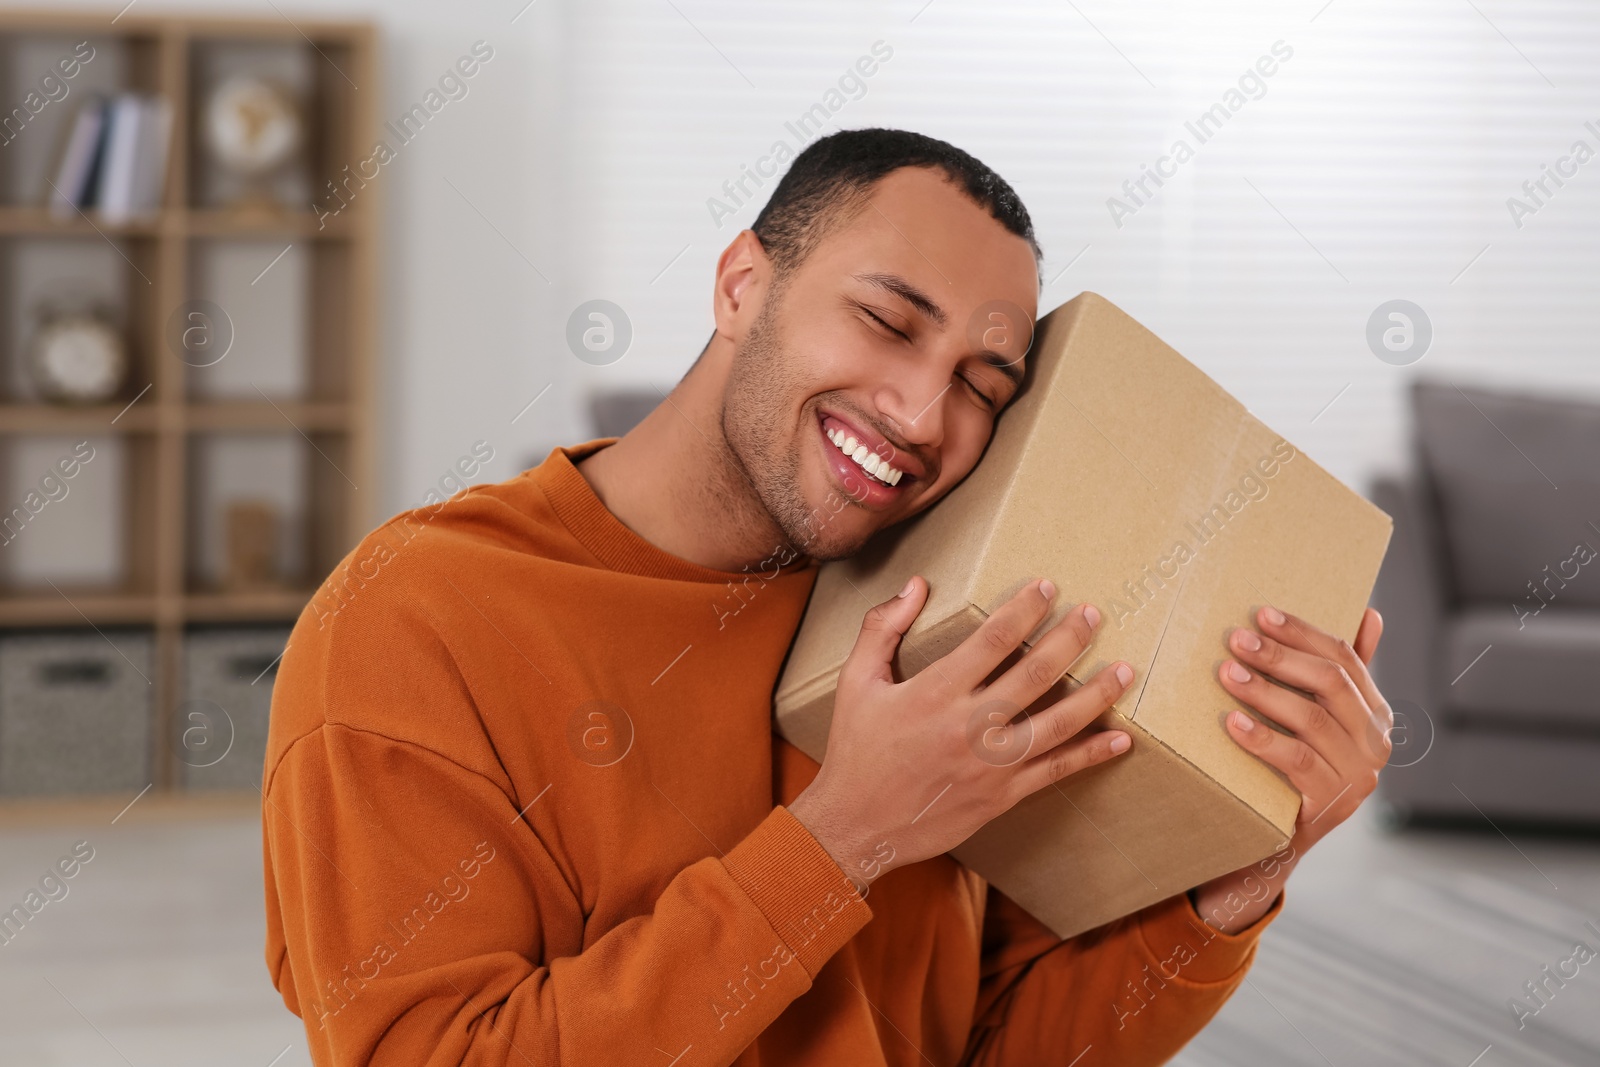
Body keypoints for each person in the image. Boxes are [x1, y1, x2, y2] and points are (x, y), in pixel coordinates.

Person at [263, 127, 1393, 1065]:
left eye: (980, 385)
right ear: (742, 283)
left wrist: (1246, 869)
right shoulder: (414, 617)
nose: (917, 411)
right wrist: (845, 835)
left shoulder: (935, 612)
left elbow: (1002, 1044)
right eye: (888, 321)